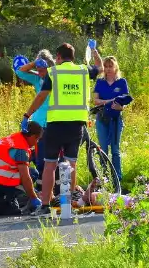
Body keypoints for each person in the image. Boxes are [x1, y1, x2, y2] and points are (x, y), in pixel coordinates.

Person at [22, 41, 102, 214]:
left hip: (56, 125)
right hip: (76, 126)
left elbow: (41, 96)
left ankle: (44, 205)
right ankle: (70, 201)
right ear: (72, 57)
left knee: (50, 165)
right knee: (71, 163)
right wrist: (94, 50)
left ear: (58, 57)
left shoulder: (54, 72)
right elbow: (100, 67)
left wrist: (27, 115)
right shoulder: (83, 71)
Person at [91, 55, 131, 187]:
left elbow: (125, 100)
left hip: (116, 119)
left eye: (110, 66)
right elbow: (95, 101)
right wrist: (110, 101)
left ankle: (117, 178)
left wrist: (120, 106)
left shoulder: (121, 82)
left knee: (115, 149)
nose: (108, 69)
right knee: (103, 149)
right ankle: (105, 177)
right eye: (106, 66)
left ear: (115, 68)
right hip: (102, 118)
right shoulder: (100, 82)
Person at [16, 49, 55, 178]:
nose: (39, 71)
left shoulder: (55, 77)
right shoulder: (37, 78)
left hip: (53, 121)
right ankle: (40, 186)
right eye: (37, 68)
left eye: (42, 68)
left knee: (53, 157)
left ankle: (52, 186)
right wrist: (35, 63)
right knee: (40, 159)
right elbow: (19, 72)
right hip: (39, 122)